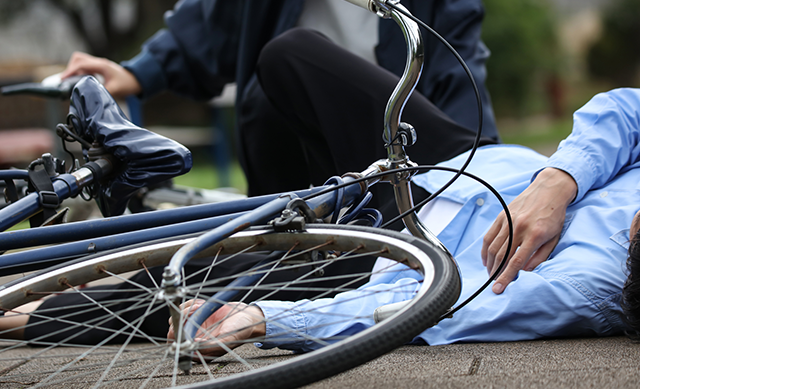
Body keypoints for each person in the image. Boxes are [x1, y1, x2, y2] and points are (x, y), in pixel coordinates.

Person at [170, 87, 640, 356]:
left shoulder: (592, 284)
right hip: (461, 167)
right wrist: (557, 182)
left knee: (176, 286)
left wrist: (264, 319)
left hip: (395, 254)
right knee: (291, 60)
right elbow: (631, 109)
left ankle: (102, 277)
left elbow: (436, 309)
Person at [57, 0, 501, 224]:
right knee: (248, 264)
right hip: (292, 147)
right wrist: (138, 72)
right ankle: (42, 311)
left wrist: (484, 178)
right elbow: (216, 18)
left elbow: (459, 70)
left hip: (395, 149)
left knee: (289, 54)